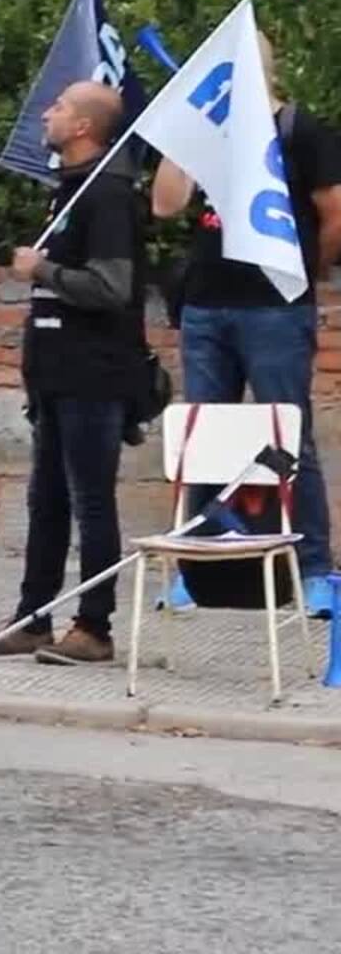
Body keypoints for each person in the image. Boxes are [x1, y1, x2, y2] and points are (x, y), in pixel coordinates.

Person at [152, 32, 341, 620]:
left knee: (287, 434)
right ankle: (196, 568)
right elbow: (164, 204)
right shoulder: (207, 135)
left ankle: (313, 569)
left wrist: (307, 273)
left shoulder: (298, 131)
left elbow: (334, 212)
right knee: (203, 440)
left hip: (275, 307)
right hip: (208, 303)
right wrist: (183, 127)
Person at [0, 82, 145, 664]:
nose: (46, 113)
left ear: (83, 128)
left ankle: (94, 627)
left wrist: (42, 269)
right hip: (54, 373)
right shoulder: (69, 190)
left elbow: (111, 287)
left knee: (91, 501)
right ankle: (32, 617)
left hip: (93, 374)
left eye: (59, 108)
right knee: (45, 500)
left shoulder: (108, 195)